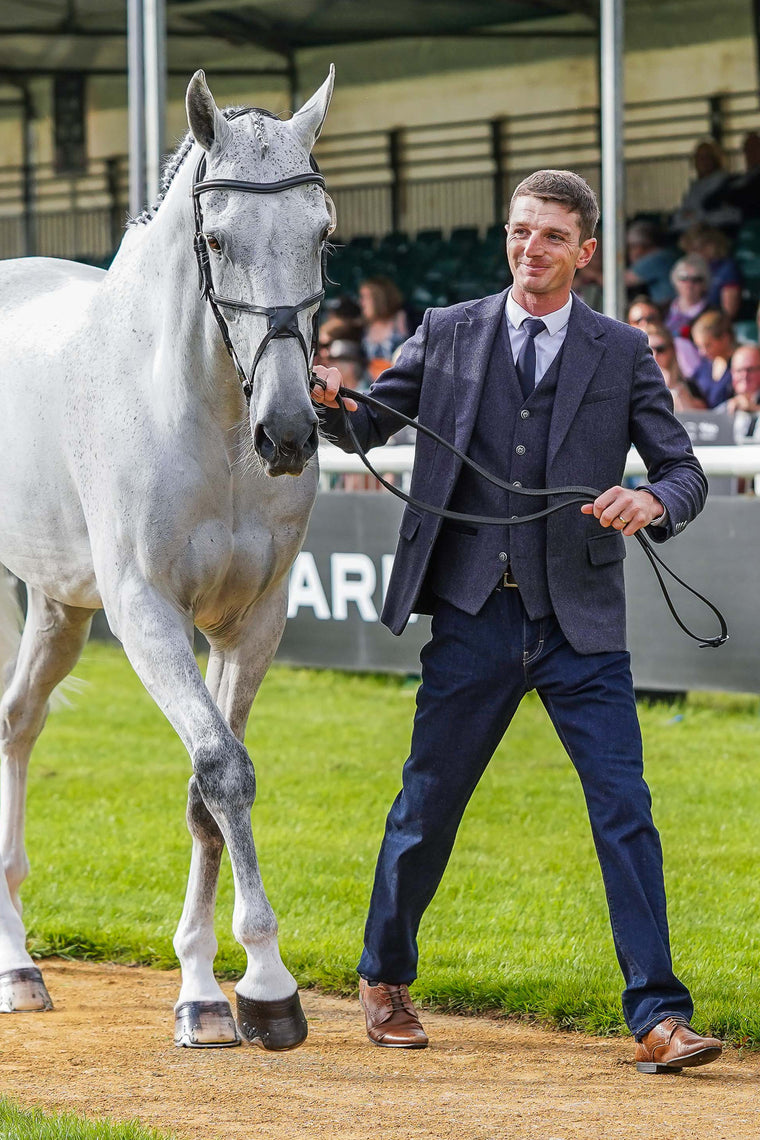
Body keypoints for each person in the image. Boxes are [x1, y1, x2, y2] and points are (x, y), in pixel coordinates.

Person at [312, 169, 721, 1074]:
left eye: (547, 236)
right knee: (428, 807)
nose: (527, 248)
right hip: (470, 616)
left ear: (584, 252)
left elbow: (684, 469)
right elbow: (370, 427)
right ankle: (384, 978)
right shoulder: (449, 329)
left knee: (626, 813)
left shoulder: (621, 351)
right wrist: (334, 400)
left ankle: (658, 1016)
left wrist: (651, 501)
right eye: (517, 231)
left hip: (580, 627)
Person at [670, 139, 741, 234]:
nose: (703, 161)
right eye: (699, 157)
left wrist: (693, 216)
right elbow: (683, 213)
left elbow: (723, 213)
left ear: (715, 160)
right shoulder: (695, 186)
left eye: (707, 157)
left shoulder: (723, 181)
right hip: (689, 230)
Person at [679, 224, 742, 319]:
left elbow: (729, 312)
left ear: (711, 247)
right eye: (689, 251)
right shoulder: (693, 269)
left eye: (695, 250)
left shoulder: (728, 268)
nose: (691, 255)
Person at [642, 321, 706, 411]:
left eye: (660, 349)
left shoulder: (690, 386)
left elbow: (703, 418)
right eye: (649, 350)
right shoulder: (634, 385)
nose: (655, 355)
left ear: (672, 350)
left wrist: (679, 392)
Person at [359, 276, 410, 380]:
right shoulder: (366, 325)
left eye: (365, 297)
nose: (362, 302)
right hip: (371, 384)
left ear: (379, 298)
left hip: (397, 380)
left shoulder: (399, 318)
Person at [624, 220, 677, 305]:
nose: (630, 252)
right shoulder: (666, 254)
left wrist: (595, 274)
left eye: (632, 246)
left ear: (643, 246)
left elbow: (619, 281)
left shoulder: (658, 258)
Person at [690, 309, 736, 408]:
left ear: (725, 338)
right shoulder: (703, 368)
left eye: (708, 345)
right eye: (699, 346)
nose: (702, 352)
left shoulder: (741, 367)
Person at [665, 254, 712, 341]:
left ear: (705, 283)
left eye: (696, 279)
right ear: (675, 280)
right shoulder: (662, 309)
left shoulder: (712, 314)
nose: (689, 284)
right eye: (683, 278)